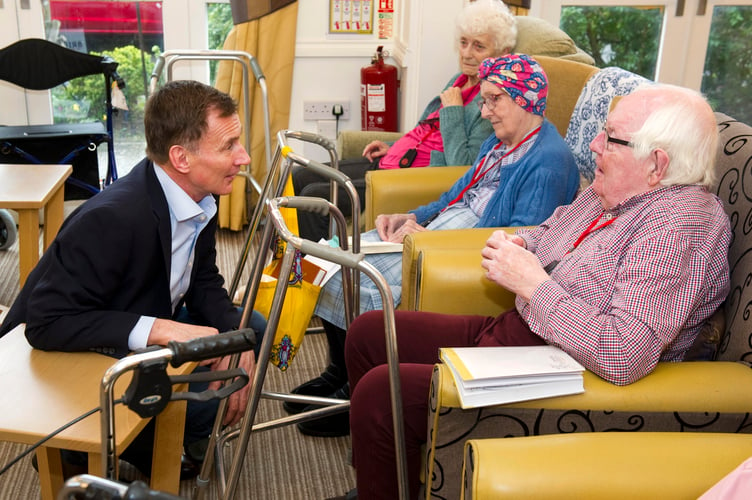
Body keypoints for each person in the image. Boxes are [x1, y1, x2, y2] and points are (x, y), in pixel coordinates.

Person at [336, 83, 732, 500]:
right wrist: (521, 243)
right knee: (370, 334)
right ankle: (384, 480)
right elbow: (550, 232)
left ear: (657, 163)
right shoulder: (615, 190)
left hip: (563, 370)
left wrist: (533, 284)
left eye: (611, 138)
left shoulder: (680, 227)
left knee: (384, 394)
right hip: (523, 330)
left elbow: (623, 352)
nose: (594, 145)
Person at [288, 53, 581, 437]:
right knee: (322, 258)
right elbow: (455, 194)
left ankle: (352, 392)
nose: (485, 110)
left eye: (495, 99)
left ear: (524, 99)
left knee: (352, 277)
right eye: (484, 99)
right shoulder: (499, 143)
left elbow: (520, 241)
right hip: (434, 236)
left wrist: (435, 243)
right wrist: (411, 217)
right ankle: (340, 370)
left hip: (455, 253)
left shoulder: (548, 162)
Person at [0, 80, 267, 479]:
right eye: (229, 146)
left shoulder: (200, 195)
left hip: (138, 306)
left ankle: (163, 437)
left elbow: (204, 281)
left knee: (252, 328)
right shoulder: (113, 218)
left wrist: (236, 337)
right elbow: (45, 323)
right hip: (69, 346)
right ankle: (90, 447)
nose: (243, 157)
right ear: (181, 158)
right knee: (206, 403)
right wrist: (159, 329)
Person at [292, 0, 517, 242]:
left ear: (502, 53)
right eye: (463, 43)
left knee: (314, 198)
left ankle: (315, 272)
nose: (466, 53)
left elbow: (465, 166)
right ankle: (293, 261)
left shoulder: (492, 102)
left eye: (478, 46)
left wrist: (453, 110)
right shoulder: (460, 80)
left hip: (407, 177)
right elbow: (428, 130)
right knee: (300, 174)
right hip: (393, 161)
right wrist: (396, 145)